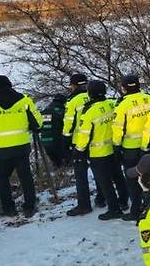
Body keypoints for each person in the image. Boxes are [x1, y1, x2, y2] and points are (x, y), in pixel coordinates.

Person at [74, 80, 128, 220]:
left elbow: (84, 134)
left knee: (105, 183)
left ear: (90, 93)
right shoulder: (112, 103)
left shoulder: (89, 112)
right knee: (118, 176)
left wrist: (79, 150)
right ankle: (123, 200)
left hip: (98, 153)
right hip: (114, 148)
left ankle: (114, 208)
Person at [112, 74, 150, 221]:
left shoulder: (122, 105)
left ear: (124, 88)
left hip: (130, 149)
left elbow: (118, 128)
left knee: (132, 180)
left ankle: (136, 210)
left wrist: (116, 146)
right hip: (149, 146)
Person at [0, 75, 43, 218]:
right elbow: (38, 123)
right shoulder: (24, 100)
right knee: (25, 176)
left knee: (2, 178)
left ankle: (9, 208)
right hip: (21, 146)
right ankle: (29, 206)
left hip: (1, 149)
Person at [64, 73, 106, 214]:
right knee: (99, 171)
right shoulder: (94, 95)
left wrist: (66, 139)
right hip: (97, 141)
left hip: (80, 142)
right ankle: (102, 198)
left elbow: (69, 123)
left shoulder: (72, 101)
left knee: (81, 175)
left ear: (74, 85)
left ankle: (84, 205)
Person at [39, 93, 67, 167]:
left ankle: (57, 175)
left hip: (45, 141)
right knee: (63, 162)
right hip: (57, 140)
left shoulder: (45, 110)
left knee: (55, 163)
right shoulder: (61, 111)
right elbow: (66, 125)